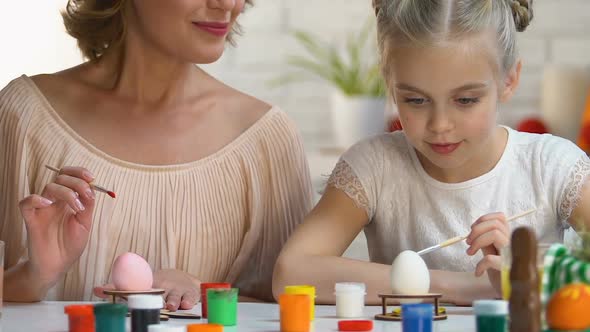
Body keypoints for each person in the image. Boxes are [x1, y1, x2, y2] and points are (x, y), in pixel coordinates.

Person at [0, 0, 313, 310]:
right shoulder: (24, 117)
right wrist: (35, 276)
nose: (227, 4)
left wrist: (202, 293)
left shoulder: (267, 141)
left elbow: (292, 309)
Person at [273, 0, 590, 305]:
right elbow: (291, 273)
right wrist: (466, 287)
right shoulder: (374, 167)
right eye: (415, 100)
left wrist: (534, 272)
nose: (440, 125)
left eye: (465, 100)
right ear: (390, 84)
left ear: (509, 80)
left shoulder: (551, 167)